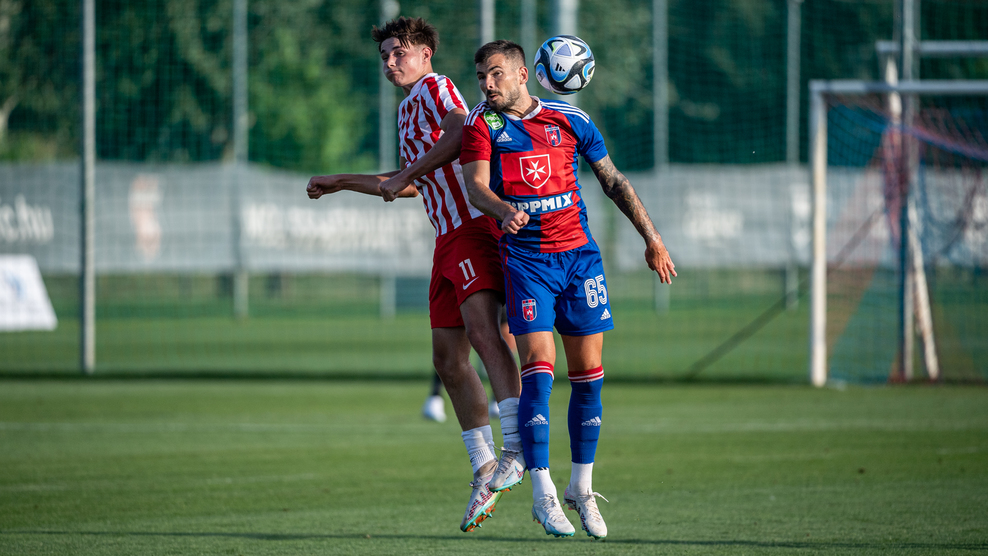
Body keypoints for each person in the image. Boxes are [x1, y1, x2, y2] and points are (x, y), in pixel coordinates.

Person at [305, 18, 521, 533]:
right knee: (447, 360)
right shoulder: (407, 109)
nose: (389, 62)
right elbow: (414, 183)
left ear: (425, 54)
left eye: (398, 52)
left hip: (471, 228)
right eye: (384, 55)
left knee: (484, 334)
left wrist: (404, 172)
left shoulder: (434, 87)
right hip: (445, 238)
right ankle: (484, 468)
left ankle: (517, 448)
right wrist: (342, 182)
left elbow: (461, 132)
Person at [460, 40, 676, 539]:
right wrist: (503, 210)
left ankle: (581, 488)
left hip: (580, 260)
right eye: (481, 77)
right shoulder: (482, 124)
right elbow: (475, 186)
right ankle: (544, 495)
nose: (487, 84)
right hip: (528, 263)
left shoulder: (571, 120)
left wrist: (652, 239)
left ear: (523, 74)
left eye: (495, 74)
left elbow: (613, 181)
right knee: (539, 369)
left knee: (589, 377)